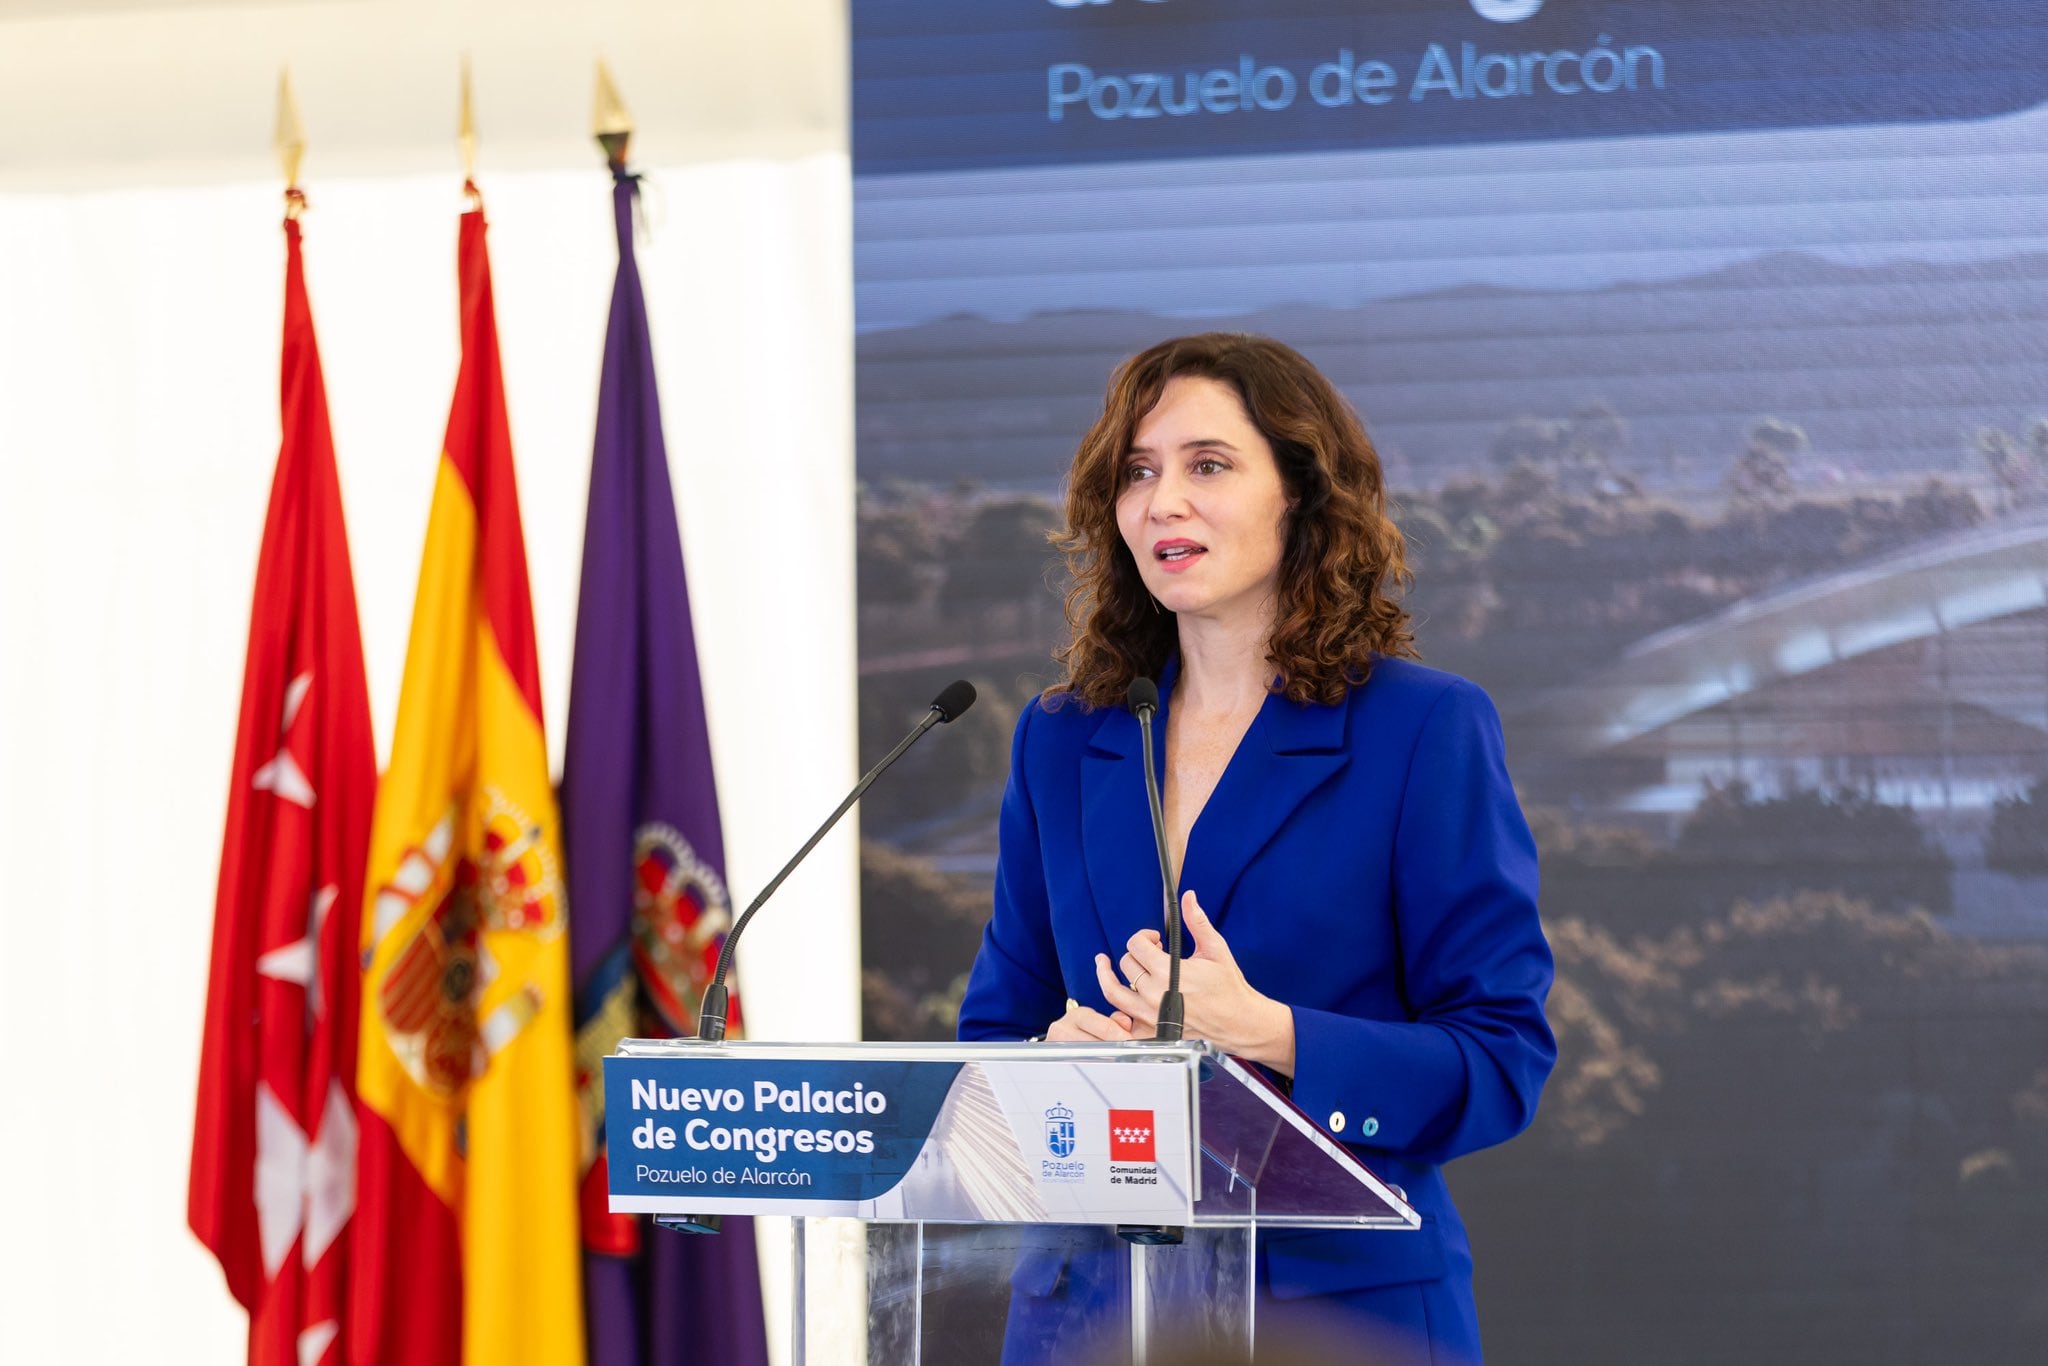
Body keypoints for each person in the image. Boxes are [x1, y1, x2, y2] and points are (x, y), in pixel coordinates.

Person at [956, 332, 1556, 1364]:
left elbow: (1500, 1059)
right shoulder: (1061, 737)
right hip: (1086, 1311)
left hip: (1333, 1316)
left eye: (1207, 465)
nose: (1163, 502)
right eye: (1137, 472)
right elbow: (993, 1039)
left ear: (1302, 492)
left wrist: (1271, 1033)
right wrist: (1048, 1068)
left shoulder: (1421, 730)